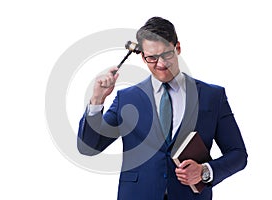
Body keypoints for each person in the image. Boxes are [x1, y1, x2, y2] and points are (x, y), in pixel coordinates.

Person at [77, 16, 247, 200]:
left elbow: (238, 154)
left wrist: (205, 171)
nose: (161, 64)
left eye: (167, 54)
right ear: (143, 57)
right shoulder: (127, 98)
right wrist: (97, 100)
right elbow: (88, 148)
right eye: (152, 58)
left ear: (178, 48)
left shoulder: (212, 96)